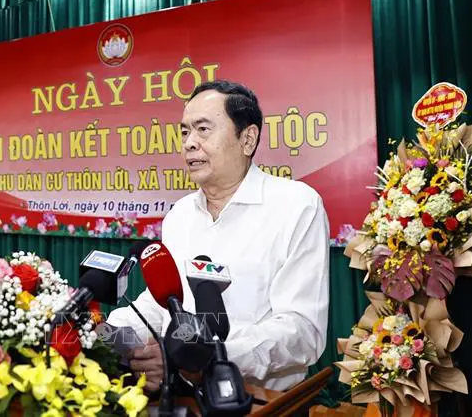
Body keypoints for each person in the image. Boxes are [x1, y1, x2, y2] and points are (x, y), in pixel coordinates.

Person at [105, 80, 330, 393]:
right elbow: (161, 307)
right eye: (184, 131)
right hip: (181, 396)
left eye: (203, 129)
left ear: (247, 139)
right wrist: (107, 335)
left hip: (260, 402)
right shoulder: (180, 215)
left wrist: (205, 356)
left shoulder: (296, 206)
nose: (189, 143)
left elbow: (301, 331)